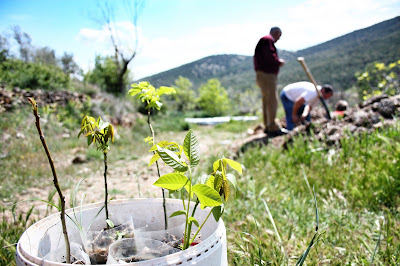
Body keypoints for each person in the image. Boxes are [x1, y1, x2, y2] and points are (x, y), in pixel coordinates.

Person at [254, 27, 287, 137]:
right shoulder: (268, 40)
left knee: (267, 100)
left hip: (262, 74)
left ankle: (268, 126)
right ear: (276, 33)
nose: (279, 39)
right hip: (267, 74)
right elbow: (269, 56)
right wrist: (278, 62)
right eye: (279, 36)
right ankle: (272, 127)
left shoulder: (264, 40)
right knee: (272, 100)